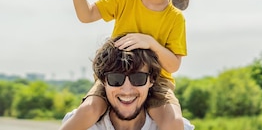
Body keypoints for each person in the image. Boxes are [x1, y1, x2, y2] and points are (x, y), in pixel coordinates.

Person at [59, 0, 197, 130]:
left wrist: (150, 43)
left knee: (174, 121)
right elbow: (86, 15)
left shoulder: (175, 18)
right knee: (87, 111)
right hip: (116, 74)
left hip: (158, 80)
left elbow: (173, 65)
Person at [61, 36, 194, 130]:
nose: (126, 90)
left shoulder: (179, 126)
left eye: (138, 78)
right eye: (116, 79)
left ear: (152, 80)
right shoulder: (79, 124)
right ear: (103, 81)